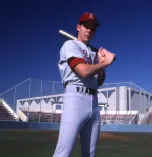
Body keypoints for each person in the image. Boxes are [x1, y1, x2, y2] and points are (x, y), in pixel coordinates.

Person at [53, 12, 116, 157]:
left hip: (93, 102)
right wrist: (106, 62)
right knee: (63, 152)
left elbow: (99, 81)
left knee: (90, 153)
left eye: (93, 28)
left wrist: (101, 63)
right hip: (75, 99)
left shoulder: (94, 53)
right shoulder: (70, 45)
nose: (89, 30)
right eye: (86, 26)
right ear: (78, 27)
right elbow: (82, 71)